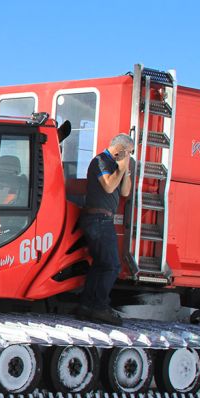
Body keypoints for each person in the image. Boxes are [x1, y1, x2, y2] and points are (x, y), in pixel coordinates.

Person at [76, 133, 135, 325]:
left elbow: (125, 191)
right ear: (120, 149)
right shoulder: (100, 161)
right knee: (111, 265)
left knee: (101, 264)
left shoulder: (117, 166)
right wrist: (120, 169)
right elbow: (109, 186)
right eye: (129, 153)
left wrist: (124, 171)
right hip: (98, 218)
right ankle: (100, 307)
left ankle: (87, 305)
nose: (130, 157)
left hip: (103, 219)